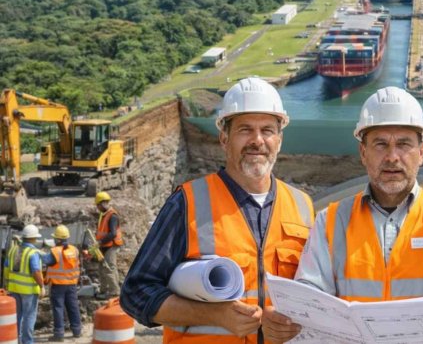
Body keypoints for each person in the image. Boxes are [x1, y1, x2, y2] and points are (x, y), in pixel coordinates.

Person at [120, 77, 314, 343]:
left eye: (267, 130)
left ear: (279, 140)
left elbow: (316, 296)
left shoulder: (302, 206)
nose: (257, 141)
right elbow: (136, 294)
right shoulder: (187, 202)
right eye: (245, 130)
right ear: (224, 139)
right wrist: (215, 314)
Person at [294, 86, 423, 305]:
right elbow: (309, 298)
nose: (392, 157)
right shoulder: (331, 221)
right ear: (363, 153)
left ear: (422, 153)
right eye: (380, 144)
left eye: (404, 144)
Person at [5, 224, 44, 344]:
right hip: (29, 291)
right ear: (33, 238)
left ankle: (16, 339)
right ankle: (27, 342)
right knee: (29, 317)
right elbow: (36, 271)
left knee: (17, 316)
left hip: (13, 289)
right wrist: (42, 286)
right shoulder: (32, 253)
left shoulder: (13, 250)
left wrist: (7, 284)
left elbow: (6, 267)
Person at [45, 224, 83, 341]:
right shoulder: (74, 250)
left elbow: (47, 261)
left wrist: (39, 252)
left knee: (58, 308)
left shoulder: (55, 251)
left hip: (58, 285)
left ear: (58, 239)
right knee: (73, 306)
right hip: (71, 284)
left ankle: (59, 334)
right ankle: (77, 331)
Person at [94, 190, 123, 299]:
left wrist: (100, 242)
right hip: (104, 245)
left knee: (109, 268)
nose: (97, 208)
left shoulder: (112, 216)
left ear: (102, 203)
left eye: (98, 205)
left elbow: (112, 233)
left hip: (111, 245)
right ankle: (104, 290)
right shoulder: (104, 214)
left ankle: (114, 292)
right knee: (102, 268)